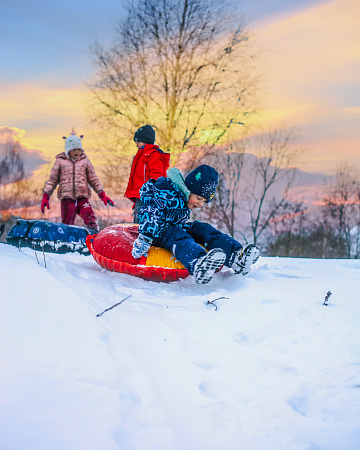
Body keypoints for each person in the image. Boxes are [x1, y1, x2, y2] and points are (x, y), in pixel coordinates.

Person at [131, 164, 260, 284]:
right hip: (157, 232)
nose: (200, 204)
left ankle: (236, 258)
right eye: (198, 198)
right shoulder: (167, 192)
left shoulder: (183, 198)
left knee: (202, 228)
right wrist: (145, 237)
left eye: (204, 201)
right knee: (178, 234)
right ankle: (198, 263)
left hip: (175, 228)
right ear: (188, 189)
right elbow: (150, 211)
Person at [40, 131, 114, 232]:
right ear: (68, 150)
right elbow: (52, 180)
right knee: (67, 223)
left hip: (82, 198)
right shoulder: (60, 161)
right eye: (74, 149)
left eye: (79, 150)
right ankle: (66, 240)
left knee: (90, 218)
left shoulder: (85, 161)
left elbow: (93, 179)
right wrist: (46, 196)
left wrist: (102, 194)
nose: (77, 152)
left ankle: (94, 235)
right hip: (67, 199)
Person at [124, 125, 170, 223]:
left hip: (147, 197)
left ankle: (143, 236)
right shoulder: (141, 155)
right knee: (136, 223)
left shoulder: (153, 155)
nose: (136, 144)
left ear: (145, 140)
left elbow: (157, 176)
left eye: (138, 141)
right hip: (140, 196)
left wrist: (151, 193)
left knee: (142, 224)